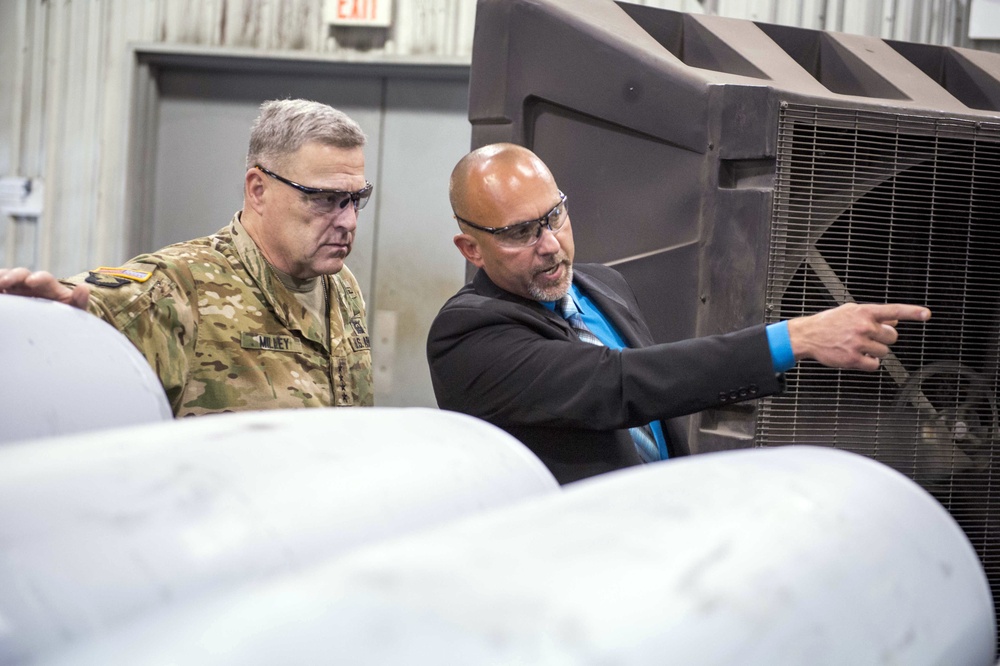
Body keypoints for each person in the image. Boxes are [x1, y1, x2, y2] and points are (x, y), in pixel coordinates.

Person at [427, 143, 932, 484]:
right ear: (470, 249)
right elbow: (621, 385)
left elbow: (657, 411)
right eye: (521, 233)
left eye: (554, 216)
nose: (550, 245)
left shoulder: (604, 285)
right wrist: (791, 339)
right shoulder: (469, 335)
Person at [0, 98, 374, 416]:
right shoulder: (183, 284)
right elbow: (102, 303)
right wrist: (46, 317)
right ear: (258, 190)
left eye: (355, 199)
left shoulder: (341, 285)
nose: (348, 221)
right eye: (325, 199)